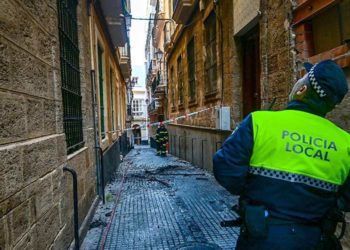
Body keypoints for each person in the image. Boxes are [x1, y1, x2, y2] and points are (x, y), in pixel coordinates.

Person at [213, 60, 350, 250]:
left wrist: (255, 190)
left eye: (302, 77)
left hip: (261, 237)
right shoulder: (345, 143)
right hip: (316, 240)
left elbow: (224, 168)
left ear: (302, 90)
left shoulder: (259, 122)